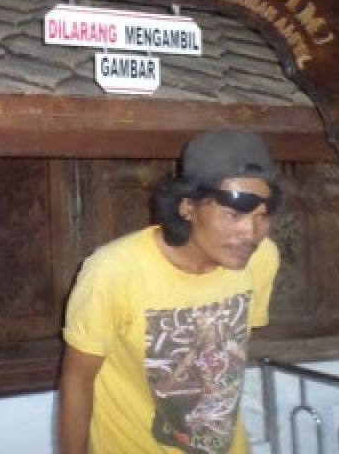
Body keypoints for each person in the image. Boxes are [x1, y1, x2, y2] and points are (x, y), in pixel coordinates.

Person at [58, 129, 282, 454]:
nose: (250, 233)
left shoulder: (261, 259)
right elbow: (77, 382)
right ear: (187, 207)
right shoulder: (114, 271)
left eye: (262, 217)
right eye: (233, 215)